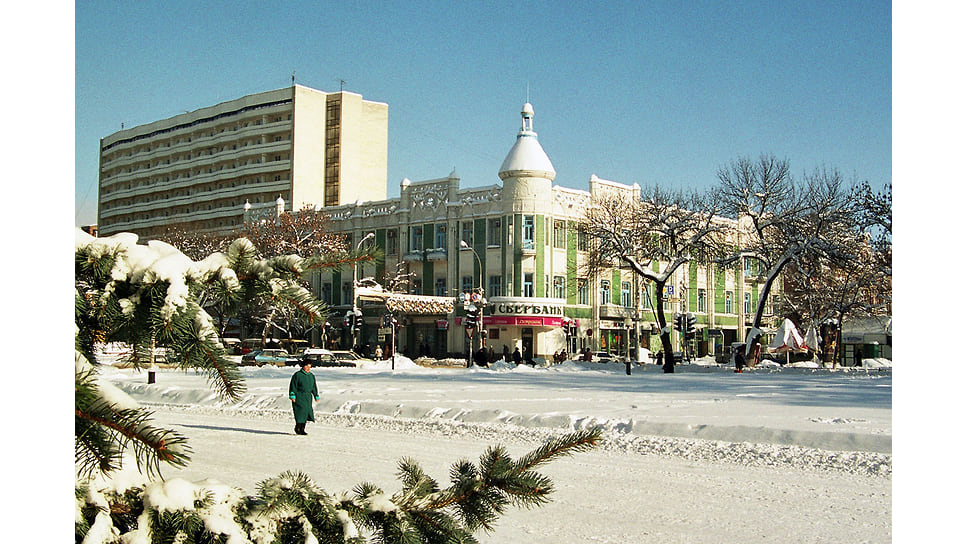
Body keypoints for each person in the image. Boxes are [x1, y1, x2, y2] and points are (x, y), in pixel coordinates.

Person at [289, 361, 319, 435]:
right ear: (303, 366)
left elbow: (313, 386)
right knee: (300, 412)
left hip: (308, 397)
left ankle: (302, 428)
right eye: (307, 366)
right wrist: (292, 395)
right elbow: (293, 385)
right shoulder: (297, 375)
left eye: (310, 366)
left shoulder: (311, 376)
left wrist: (315, 395)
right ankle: (298, 427)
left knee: (306, 412)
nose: (308, 368)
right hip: (299, 396)